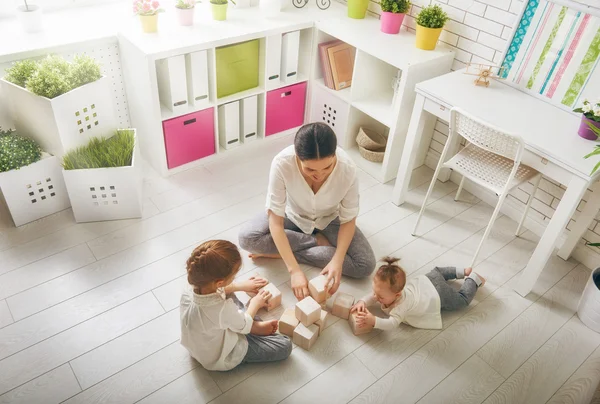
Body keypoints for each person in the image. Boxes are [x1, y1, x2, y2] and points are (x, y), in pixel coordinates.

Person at [238, 122, 376, 300]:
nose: (319, 175)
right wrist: (294, 271)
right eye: (310, 169)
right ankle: (314, 241)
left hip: (330, 219)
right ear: (297, 157)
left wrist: (337, 260)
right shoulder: (282, 163)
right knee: (247, 238)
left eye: (327, 168)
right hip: (293, 215)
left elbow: (348, 219)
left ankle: (278, 252)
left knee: (365, 265)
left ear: (335, 155)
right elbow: (276, 221)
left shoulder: (348, 169)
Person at [180, 240, 292, 371]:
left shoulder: (189, 290)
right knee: (285, 346)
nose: (234, 279)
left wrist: (241, 286)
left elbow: (221, 292)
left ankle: (248, 323)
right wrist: (255, 303)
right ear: (220, 282)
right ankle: (254, 325)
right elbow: (242, 325)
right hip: (219, 354)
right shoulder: (221, 309)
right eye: (233, 277)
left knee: (229, 296)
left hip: (200, 343)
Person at [351, 257, 485, 330]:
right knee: (438, 271)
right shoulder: (387, 291)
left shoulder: (400, 307)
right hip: (428, 280)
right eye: (375, 292)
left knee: (462, 300)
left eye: (380, 297)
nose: (375, 297)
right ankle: (462, 271)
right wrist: (363, 301)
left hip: (439, 295)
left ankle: (473, 279)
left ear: (397, 295)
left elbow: (391, 324)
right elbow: (373, 296)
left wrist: (374, 321)